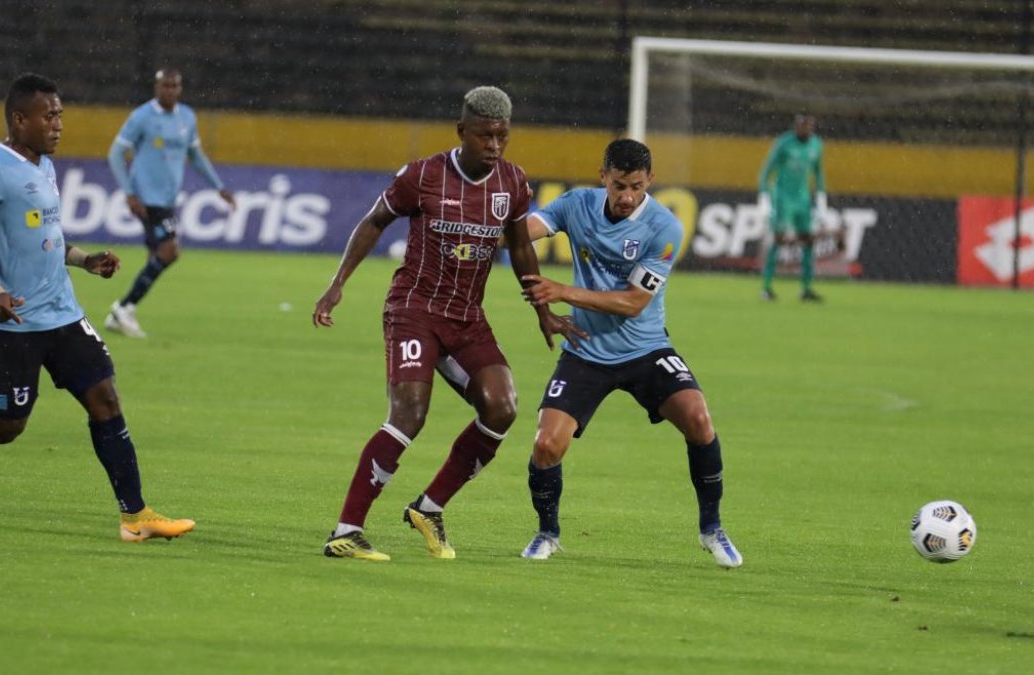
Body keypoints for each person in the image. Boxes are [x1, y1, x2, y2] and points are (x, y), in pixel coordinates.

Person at [0, 73, 194, 543]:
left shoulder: (43, 164)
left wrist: (83, 260)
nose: (58, 124)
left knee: (105, 400)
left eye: (60, 115)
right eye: (48, 116)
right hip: (13, 323)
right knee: (4, 427)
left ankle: (136, 516)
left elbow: (43, 238)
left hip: (63, 315)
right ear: (20, 120)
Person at [312, 86, 584, 562]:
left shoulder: (513, 183)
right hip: (415, 310)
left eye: (502, 136)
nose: (494, 145)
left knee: (502, 407)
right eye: (485, 136)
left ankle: (429, 507)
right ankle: (346, 530)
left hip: (467, 319)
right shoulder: (424, 176)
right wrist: (338, 284)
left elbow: (520, 246)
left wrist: (541, 309)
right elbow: (375, 221)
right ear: (462, 131)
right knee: (409, 415)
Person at [516, 139, 743, 568]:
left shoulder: (664, 228)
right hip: (585, 348)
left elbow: (633, 302)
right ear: (603, 176)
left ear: (650, 181)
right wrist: (496, 223)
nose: (626, 196)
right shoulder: (575, 204)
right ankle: (547, 532)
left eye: (636, 186)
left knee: (698, 419)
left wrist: (562, 290)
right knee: (547, 445)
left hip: (646, 348)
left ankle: (712, 528)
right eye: (618, 185)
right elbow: (523, 232)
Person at [104, 68, 234, 337]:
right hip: (147, 199)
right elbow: (116, 153)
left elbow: (196, 156)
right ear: (156, 87)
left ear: (180, 88)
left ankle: (124, 312)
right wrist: (129, 192)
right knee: (170, 251)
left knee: (156, 257)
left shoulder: (187, 117)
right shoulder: (142, 116)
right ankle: (123, 307)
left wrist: (219, 187)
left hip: (168, 199)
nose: (170, 91)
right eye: (165, 86)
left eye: (175, 86)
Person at [757, 113, 827, 302]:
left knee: (808, 240)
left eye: (808, 125)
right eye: (801, 125)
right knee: (778, 239)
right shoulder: (784, 143)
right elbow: (766, 171)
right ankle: (767, 288)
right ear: (795, 126)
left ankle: (806, 288)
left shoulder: (816, 145)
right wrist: (764, 197)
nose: (805, 128)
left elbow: (818, 172)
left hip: (803, 199)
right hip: (783, 198)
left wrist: (821, 198)